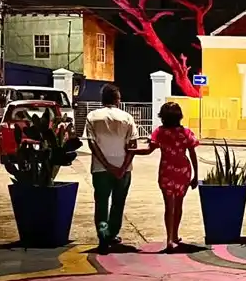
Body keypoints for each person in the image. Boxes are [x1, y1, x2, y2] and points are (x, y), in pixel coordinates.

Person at [131, 101, 200, 251]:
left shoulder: (159, 132)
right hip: (183, 171)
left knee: (169, 206)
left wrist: (132, 151)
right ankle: (175, 235)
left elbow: (148, 150)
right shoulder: (186, 132)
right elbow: (193, 154)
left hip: (166, 171)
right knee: (179, 204)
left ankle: (169, 239)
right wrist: (195, 175)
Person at [83, 84, 139, 254]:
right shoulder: (127, 118)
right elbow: (133, 145)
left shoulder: (92, 117)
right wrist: (122, 168)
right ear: (117, 100)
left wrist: (107, 165)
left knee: (101, 202)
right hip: (123, 169)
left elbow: (92, 144)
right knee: (118, 202)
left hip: (100, 168)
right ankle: (111, 234)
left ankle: (102, 232)